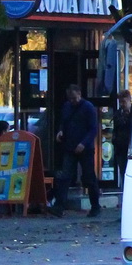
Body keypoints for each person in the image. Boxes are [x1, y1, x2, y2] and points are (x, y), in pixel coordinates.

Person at [51, 85, 102, 217]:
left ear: (79, 94)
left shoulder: (88, 107)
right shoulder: (67, 106)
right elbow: (64, 122)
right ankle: (59, 206)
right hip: (70, 146)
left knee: (89, 177)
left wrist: (84, 143)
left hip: (85, 148)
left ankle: (95, 206)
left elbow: (93, 129)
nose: (72, 101)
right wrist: (61, 131)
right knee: (65, 176)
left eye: (74, 98)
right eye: (70, 99)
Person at [113, 89, 132, 189]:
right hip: (121, 148)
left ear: (130, 100)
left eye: (124, 102)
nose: (122, 104)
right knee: (123, 172)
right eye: (120, 102)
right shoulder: (118, 114)